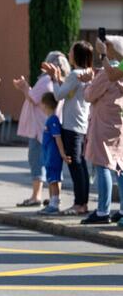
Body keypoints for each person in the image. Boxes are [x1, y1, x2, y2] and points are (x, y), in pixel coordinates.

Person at [43, 41, 93, 215]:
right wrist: (59, 78)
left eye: (71, 51)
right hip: (81, 125)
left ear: (77, 55)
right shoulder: (87, 73)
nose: (69, 54)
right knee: (81, 166)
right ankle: (83, 203)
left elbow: (58, 94)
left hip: (71, 125)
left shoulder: (74, 74)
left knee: (75, 165)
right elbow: (70, 90)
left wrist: (54, 79)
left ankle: (79, 204)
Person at [12, 51, 66, 207]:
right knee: (54, 163)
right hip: (54, 125)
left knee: (37, 161)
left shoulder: (45, 80)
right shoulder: (62, 81)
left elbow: (33, 97)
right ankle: (55, 196)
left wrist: (23, 87)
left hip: (39, 128)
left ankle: (36, 196)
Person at [79, 36, 123, 225]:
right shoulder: (117, 70)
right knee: (120, 166)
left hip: (103, 121)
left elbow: (89, 95)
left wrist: (89, 82)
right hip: (118, 120)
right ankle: (121, 210)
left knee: (102, 164)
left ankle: (103, 210)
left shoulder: (108, 72)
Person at [37, 92, 69, 215]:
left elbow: (58, 137)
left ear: (45, 105)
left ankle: (55, 204)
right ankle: (52, 202)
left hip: (53, 156)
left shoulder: (53, 120)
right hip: (49, 156)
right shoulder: (50, 119)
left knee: (54, 179)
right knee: (51, 179)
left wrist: (61, 153)